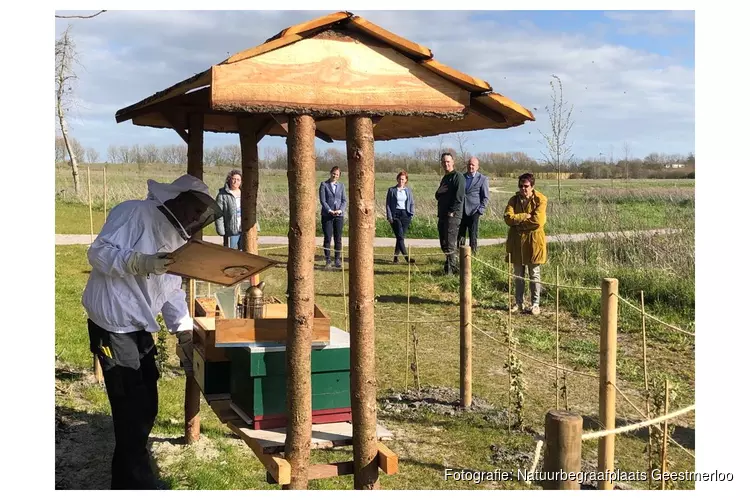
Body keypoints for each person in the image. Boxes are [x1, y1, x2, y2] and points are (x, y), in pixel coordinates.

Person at [81, 174, 221, 489]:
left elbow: (171, 290)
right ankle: (136, 485)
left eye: (200, 212)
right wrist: (140, 262)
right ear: (176, 197)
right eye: (192, 208)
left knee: (147, 405)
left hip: (140, 325)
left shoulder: (179, 239)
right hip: (112, 323)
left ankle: (129, 477)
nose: (194, 217)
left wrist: (184, 331)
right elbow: (98, 253)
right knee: (131, 409)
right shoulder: (133, 213)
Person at [503, 172, 548, 315]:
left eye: (526, 186)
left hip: (534, 242)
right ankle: (519, 303)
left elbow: (538, 221)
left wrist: (518, 224)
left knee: (534, 274)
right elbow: (508, 218)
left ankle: (535, 304)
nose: (523, 189)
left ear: (532, 186)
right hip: (516, 242)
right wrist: (523, 216)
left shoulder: (540, 199)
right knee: (518, 275)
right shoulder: (513, 200)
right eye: (521, 186)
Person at [434, 152, 465, 275]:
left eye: (448, 161)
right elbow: (438, 195)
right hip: (442, 214)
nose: (446, 164)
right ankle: (449, 267)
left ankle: (452, 271)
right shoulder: (445, 178)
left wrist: (452, 211)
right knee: (444, 242)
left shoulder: (458, 177)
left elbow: (459, 196)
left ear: (453, 162)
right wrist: (438, 191)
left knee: (450, 243)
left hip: (452, 216)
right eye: (443, 162)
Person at [458, 156, 490, 255]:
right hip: (462, 210)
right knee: (460, 235)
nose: (470, 166)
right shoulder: (461, 177)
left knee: (473, 235)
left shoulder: (483, 179)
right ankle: (460, 256)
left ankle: (473, 256)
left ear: (477, 167)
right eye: (469, 164)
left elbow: (485, 197)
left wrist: (480, 210)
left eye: (473, 165)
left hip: (474, 211)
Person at [319, 166, 347, 269]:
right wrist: (330, 211)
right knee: (327, 237)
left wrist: (340, 210)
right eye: (333, 173)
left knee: (338, 238)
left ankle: (337, 259)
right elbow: (323, 200)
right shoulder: (324, 185)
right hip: (327, 215)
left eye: (337, 174)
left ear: (339, 176)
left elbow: (344, 200)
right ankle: (328, 260)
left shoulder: (341, 186)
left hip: (339, 215)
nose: (335, 176)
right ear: (330, 173)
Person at [385, 170, 416, 264]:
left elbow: (411, 202)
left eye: (403, 179)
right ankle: (407, 258)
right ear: (397, 179)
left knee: (400, 237)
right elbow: (388, 204)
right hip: (395, 215)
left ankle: (395, 258)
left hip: (406, 215)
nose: (401, 181)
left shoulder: (408, 190)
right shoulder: (392, 190)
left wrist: (411, 213)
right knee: (400, 236)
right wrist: (389, 217)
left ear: (406, 180)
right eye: (399, 179)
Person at [214, 169, 243, 250]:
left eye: (238, 180)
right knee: (230, 252)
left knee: (244, 252)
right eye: (233, 179)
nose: (235, 181)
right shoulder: (222, 195)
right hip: (231, 230)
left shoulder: (245, 194)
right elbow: (218, 214)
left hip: (244, 229)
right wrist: (221, 230)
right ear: (229, 180)